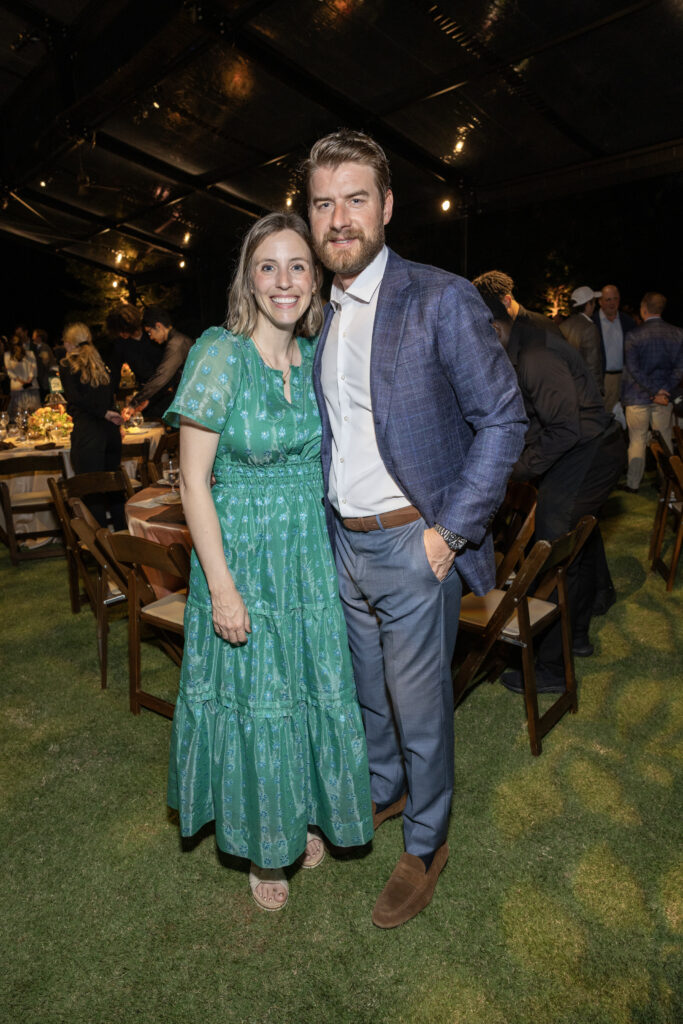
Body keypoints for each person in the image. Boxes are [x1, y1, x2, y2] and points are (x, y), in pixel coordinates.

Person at [304, 130, 527, 928]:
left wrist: (449, 535)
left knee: (420, 704)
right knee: (369, 696)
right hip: (343, 542)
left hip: (411, 542)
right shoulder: (316, 314)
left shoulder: (438, 297)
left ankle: (428, 841)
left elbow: (503, 420)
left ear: (387, 206)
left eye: (355, 199)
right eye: (324, 203)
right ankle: (384, 788)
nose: (339, 219)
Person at [164, 212, 373, 913]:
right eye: (267, 267)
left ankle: (304, 813)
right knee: (257, 702)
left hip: (306, 559)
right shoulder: (220, 354)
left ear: (315, 279)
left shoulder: (315, 356)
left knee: (306, 690)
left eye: (297, 266)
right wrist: (221, 588)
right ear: (247, 280)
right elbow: (193, 481)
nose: (283, 281)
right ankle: (262, 845)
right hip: (242, 557)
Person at [472, 283, 625, 678]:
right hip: (583, 446)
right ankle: (580, 629)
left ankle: (553, 667)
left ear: (493, 328)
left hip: (590, 451)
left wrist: (514, 471)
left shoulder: (535, 354)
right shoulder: (522, 344)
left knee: (554, 547)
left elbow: (563, 430)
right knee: (577, 541)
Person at [59, 322, 125, 529]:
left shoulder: (67, 365)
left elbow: (75, 399)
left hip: (89, 434)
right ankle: (126, 544)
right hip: (110, 433)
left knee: (91, 491)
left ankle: (101, 549)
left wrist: (103, 412)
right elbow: (109, 395)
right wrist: (109, 414)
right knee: (114, 491)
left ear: (69, 344)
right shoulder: (100, 363)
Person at [621, 292, 683, 492]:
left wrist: (655, 390)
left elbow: (633, 369)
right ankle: (665, 481)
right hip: (663, 398)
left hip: (637, 395)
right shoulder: (678, 333)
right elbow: (680, 368)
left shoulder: (633, 335)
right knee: (664, 439)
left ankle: (633, 483)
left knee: (637, 439)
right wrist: (663, 390)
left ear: (644, 308)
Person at [121, 306, 192, 421]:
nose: (151, 338)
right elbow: (168, 379)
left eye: (149, 332)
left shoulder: (176, 344)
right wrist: (148, 400)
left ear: (159, 326)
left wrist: (134, 402)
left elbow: (161, 376)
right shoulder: (177, 341)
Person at [592, 284, 636, 413]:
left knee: (625, 415)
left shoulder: (628, 322)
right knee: (603, 414)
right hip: (603, 379)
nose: (612, 303)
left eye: (615, 299)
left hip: (624, 377)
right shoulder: (592, 323)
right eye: (608, 299)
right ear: (600, 302)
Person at [560, 286, 604, 393]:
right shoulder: (589, 328)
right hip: (584, 389)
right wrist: (597, 391)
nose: (595, 305)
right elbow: (593, 365)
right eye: (593, 302)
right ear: (588, 304)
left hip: (567, 386)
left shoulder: (562, 326)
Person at [4, 334, 40, 420]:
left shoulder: (8, 355)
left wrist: (22, 380)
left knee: (19, 416)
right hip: (29, 386)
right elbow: (33, 369)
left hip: (19, 387)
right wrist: (29, 380)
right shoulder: (30, 354)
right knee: (32, 415)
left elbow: (9, 372)